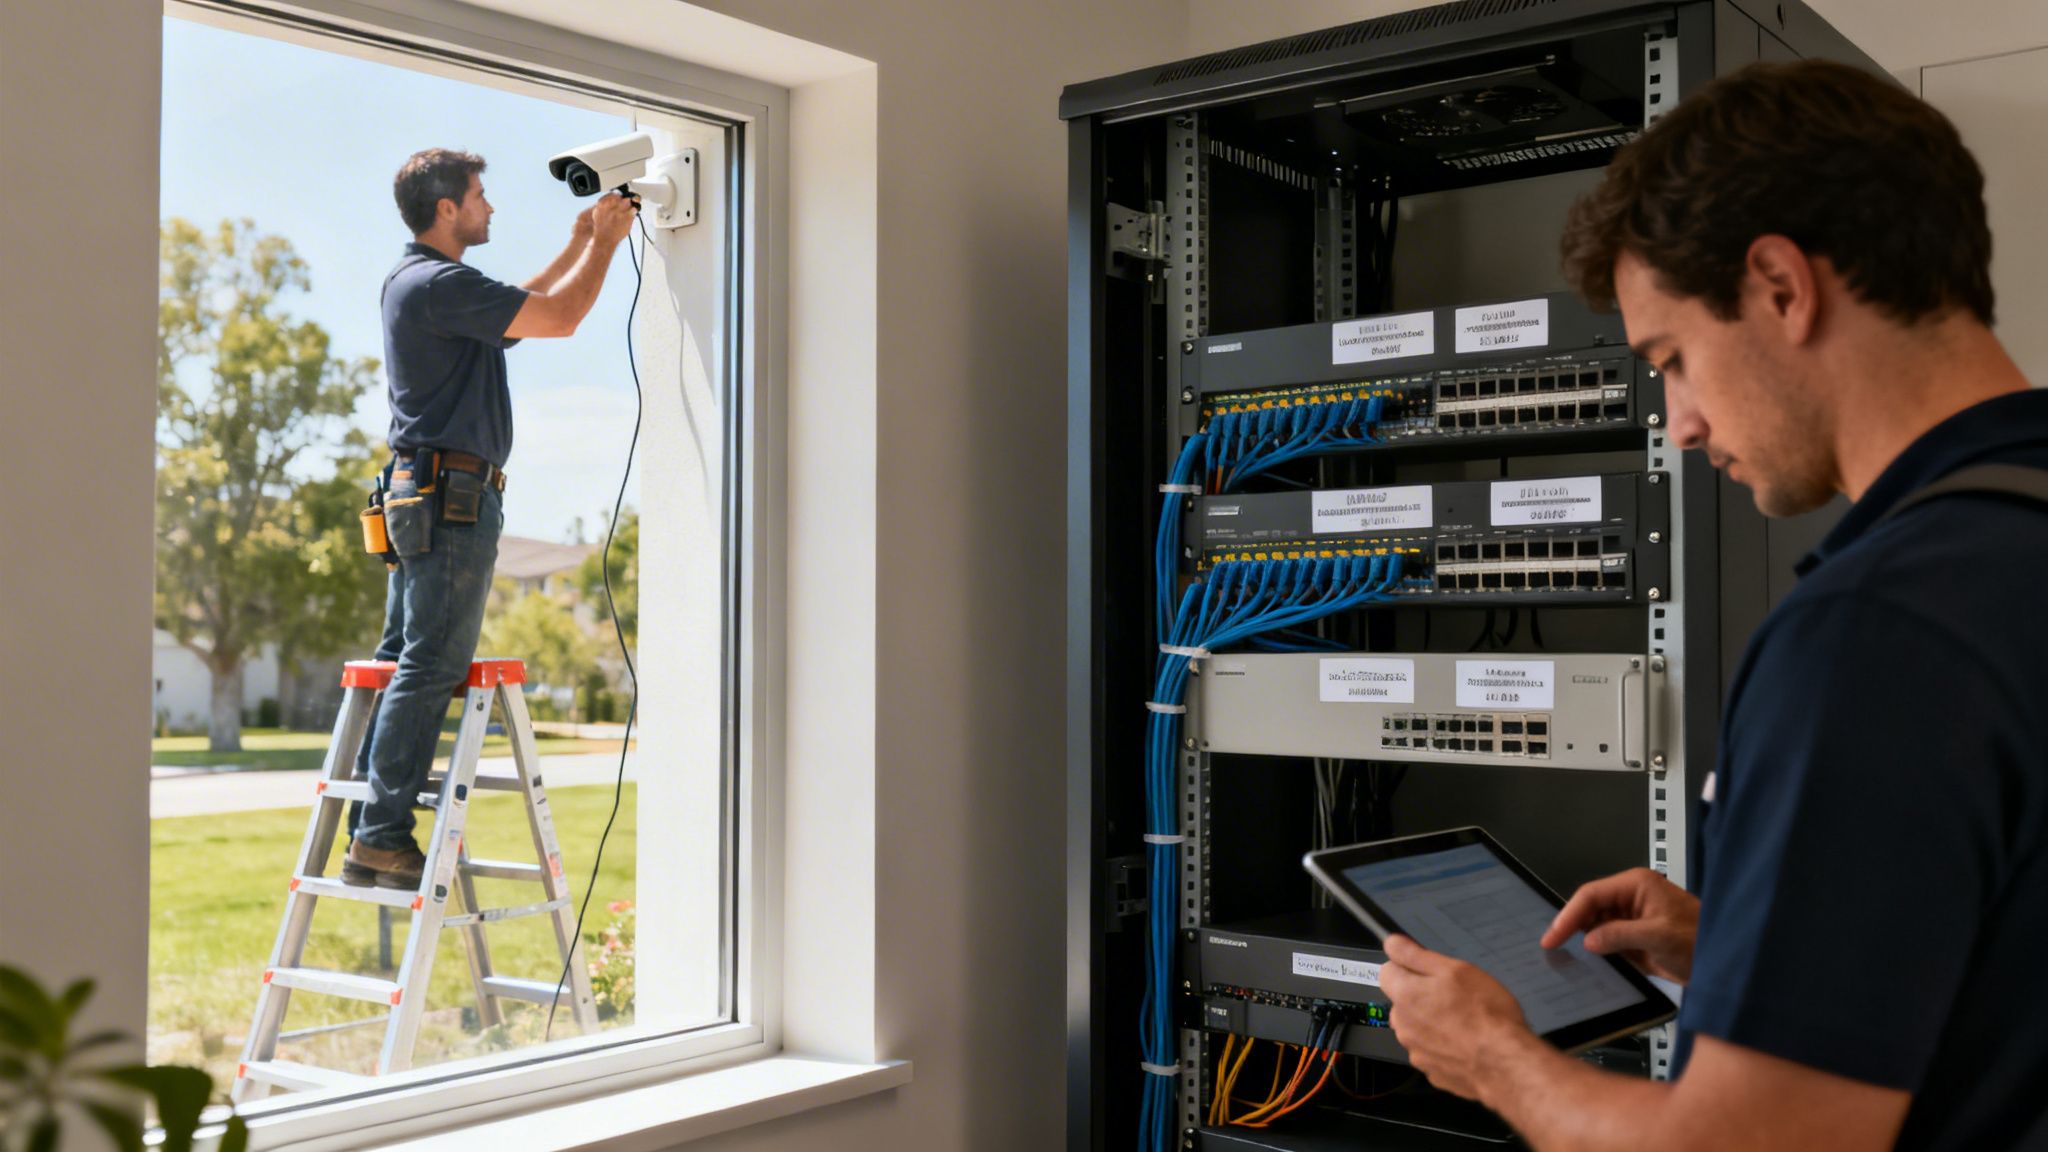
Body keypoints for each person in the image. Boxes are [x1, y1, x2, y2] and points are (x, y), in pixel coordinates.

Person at [1376, 59, 2048, 1150]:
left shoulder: (1873, 631)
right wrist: (1753, 951)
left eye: (1673, 358)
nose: (1679, 425)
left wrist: (1496, 1059)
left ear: (1781, 285)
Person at [342, 148, 639, 889]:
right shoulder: (437, 285)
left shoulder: (424, 283)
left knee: (403, 659)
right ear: (447, 209)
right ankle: (381, 834)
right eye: (480, 195)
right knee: (429, 664)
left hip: (423, 495)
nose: (491, 206)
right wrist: (608, 242)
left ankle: (366, 829)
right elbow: (560, 318)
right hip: (451, 503)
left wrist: (577, 243)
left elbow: (514, 308)